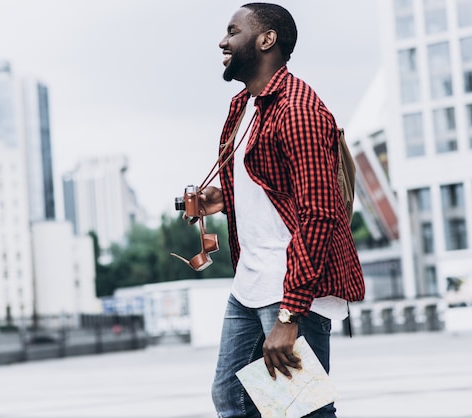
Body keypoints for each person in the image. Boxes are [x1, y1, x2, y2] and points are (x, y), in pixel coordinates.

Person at [195, 3, 365, 417]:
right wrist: (224, 198)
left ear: (266, 39)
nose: (223, 40)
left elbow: (320, 212)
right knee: (232, 400)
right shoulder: (245, 107)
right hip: (251, 282)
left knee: (301, 410)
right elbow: (274, 187)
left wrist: (290, 315)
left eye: (233, 31)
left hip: (291, 286)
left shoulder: (298, 109)